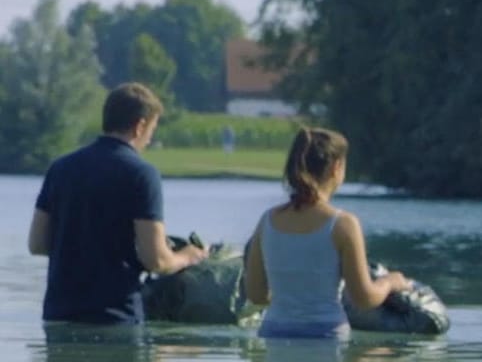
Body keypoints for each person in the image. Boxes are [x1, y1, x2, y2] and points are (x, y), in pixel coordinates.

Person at [28, 82, 209, 324]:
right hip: (115, 321)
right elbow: (155, 260)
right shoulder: (142, 174)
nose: (148, 140)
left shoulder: (60, 168)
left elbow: (37, 244)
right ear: (140, 126)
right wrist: (189, 256)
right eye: (151, 131)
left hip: (58, 316)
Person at [243, 127, 410, 339]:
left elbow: (256, 295)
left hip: (274, 333)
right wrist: (390, 282)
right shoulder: (343, 224)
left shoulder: (267, 221)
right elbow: (363, 298)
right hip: (325, 336)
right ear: (336, 167)